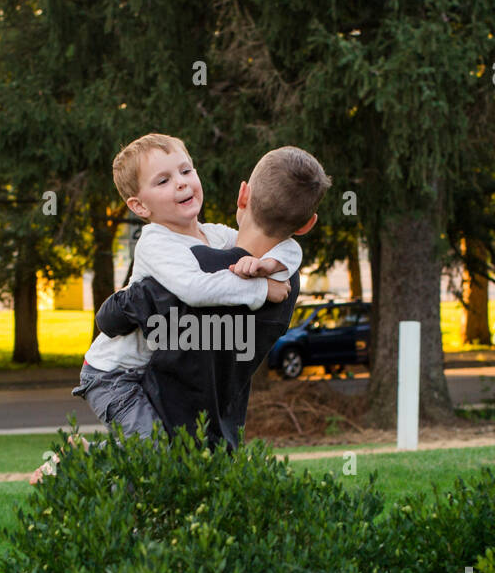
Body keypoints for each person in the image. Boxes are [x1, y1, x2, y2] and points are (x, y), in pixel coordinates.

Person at [95, 146, 330, 450]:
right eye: (163, 180)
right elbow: (195, 289)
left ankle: (88, 456)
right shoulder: (155, 243)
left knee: (155, 455)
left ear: (243, 195)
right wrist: (261, 288)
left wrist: (272, 264)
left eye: (186, 170)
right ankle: (74, 463)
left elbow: (286, 248)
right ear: (139, 207)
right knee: (152, 454)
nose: (180, 182)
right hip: (113, 372)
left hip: (144, 368)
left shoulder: (215, 237)